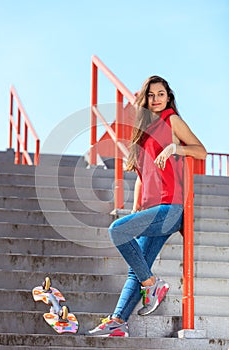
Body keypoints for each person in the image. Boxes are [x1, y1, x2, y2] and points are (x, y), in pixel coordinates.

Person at [87, 75, 207, 337]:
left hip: (171, 207)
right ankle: (118, 321)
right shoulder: (142, 133)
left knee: (117, 230)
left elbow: (201, 151)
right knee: (136, 268)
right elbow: (142, 176)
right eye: (151, 95)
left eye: (161, 94)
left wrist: (175, 147)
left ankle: (152, 284)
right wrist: (134, 210)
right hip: (152, 210)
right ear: (145, 99)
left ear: (168, 96)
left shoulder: (171, 120)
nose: (156, 99)